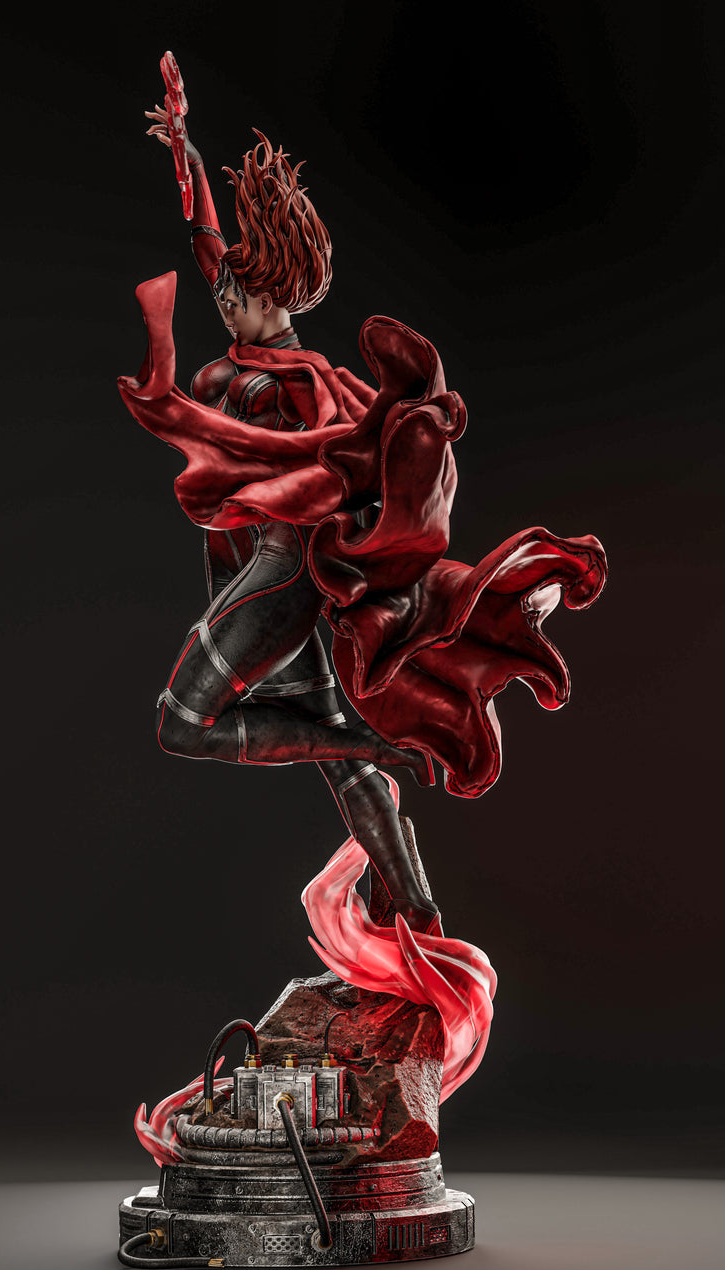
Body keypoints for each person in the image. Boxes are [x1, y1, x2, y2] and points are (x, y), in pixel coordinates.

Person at [121, 87, 607, 940]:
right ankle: (415, 913)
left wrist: (223, 445)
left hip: (283, 581)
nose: (224, 298)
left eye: (239, 293)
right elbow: (205, 243)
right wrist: (185, 146)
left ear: (276, 298)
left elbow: (344, 469)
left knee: (183, 724)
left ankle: (377, 753)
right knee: (333, 747)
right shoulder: (251, 338)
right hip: (264, 573)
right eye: (226, 289)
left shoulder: (304, 389)